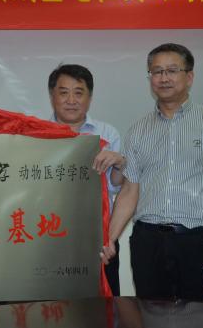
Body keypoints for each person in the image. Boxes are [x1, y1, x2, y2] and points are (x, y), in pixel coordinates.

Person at [101, 43, 203, 301]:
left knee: (202, 316)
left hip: (198, 240)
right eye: (156, 72)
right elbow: (130, 190)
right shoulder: (138, 130)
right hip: (148, 242)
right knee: (151, 314)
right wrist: (110, 238)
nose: (163, 78)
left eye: (171, 70)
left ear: (189, 77)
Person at [48, 64, 125, 296]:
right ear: (52, 96)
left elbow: (115, 186)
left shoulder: (107, 133)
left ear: (89, 97)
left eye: (79, 93)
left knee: (101, 307)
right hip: (49, 237)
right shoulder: (36, 134)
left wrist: (120, 162)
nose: (71, 100)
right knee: (51, 306)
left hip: (98, 239)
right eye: (64, 92)